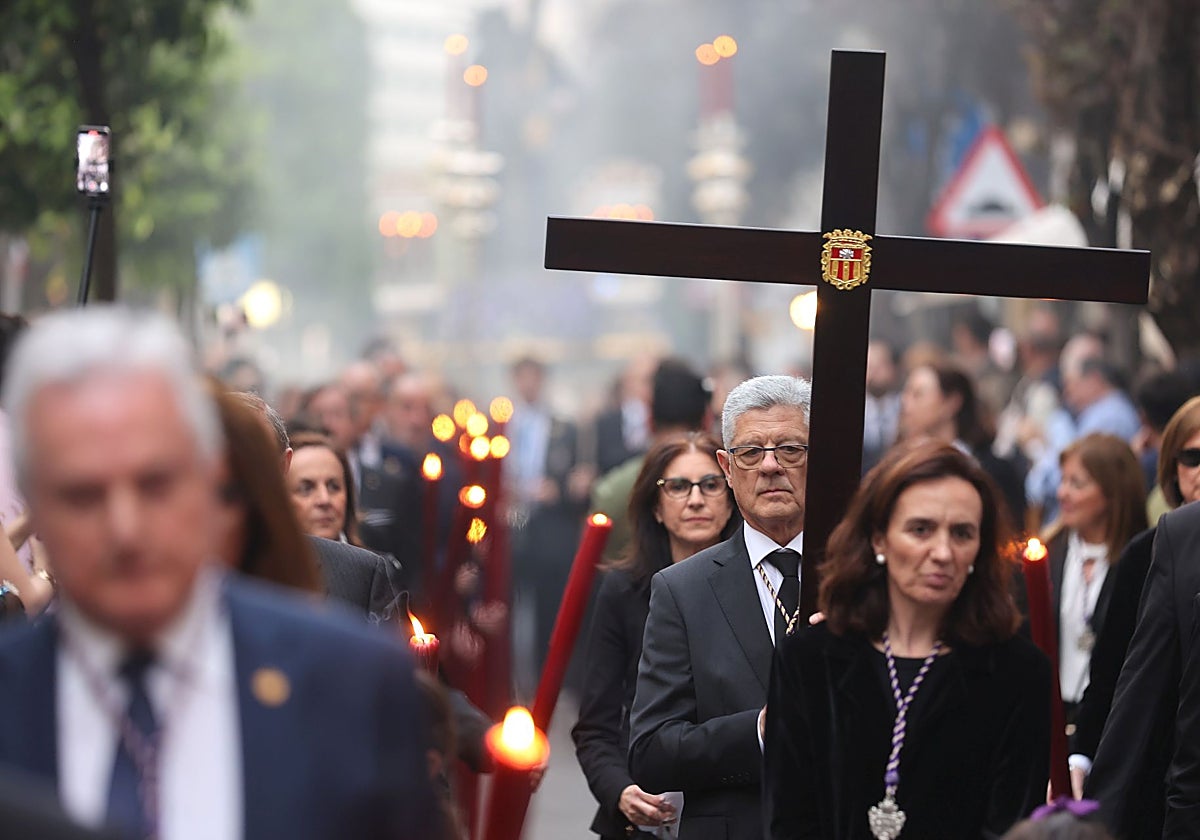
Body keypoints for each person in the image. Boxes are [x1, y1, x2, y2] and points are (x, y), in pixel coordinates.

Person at [0, 306, 437, 838]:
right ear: (36, 510)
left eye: (155, 484)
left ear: (209, 484)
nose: (125, 529)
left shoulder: (351, 684)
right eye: (83, 495)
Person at [763, 440, 1050, 839]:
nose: (943, 552)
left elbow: (1010, 823)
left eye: (962, 533)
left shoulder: (1017, 672)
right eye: (921, 530)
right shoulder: (809, 660)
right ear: (879, 538)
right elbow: (789, 819)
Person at [628, 375, 810, 840]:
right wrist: (759, 733)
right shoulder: (682, 590)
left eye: (790, 449)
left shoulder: (859, 576)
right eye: (750, 453)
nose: (770, 466)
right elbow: (651, 750)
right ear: (727, 468)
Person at [573, 431, 740, 838]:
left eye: (711, 484)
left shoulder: (758, 584)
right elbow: (595, 725)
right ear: (656, 508)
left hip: (734, 802)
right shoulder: (623, 590)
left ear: (732, 497)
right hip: (643, 808)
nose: (696, 499)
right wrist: (619, 790)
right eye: (678, 487)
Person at [1082, 396, 1200, 838]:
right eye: (1192, 457)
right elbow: (1129, 684)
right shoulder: (1164, 545)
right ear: (1171, 467)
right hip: (1169, 784)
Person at [1038, 433, 1146, 721]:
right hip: (1050, 714)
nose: (1062, 493)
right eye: (1063, 480)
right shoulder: (1047, 555)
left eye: (1077, 484)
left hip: (1112, 717)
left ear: (1113, 493)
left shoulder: (1141, 562)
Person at [591, 357, 710, 562]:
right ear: (706, 419)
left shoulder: (615, 491)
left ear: (649, 417)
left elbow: (597, 557)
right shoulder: (728, 481)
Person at [899, 360, 1027, 527]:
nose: (906, 403)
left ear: (951, 402)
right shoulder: (899, 464)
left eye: (918, 394)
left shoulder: (993, 470)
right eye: (906, 393)